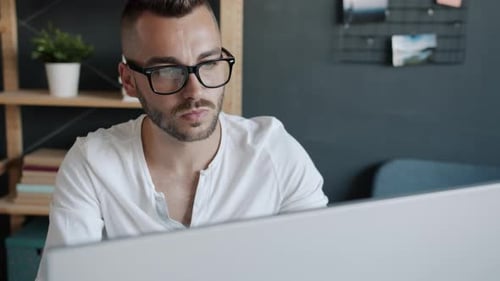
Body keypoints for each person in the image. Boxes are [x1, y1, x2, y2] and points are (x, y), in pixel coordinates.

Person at [36, 0, 328, 279]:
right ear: (128, 80)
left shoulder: (276, 153)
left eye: (209, 63)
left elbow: (322, 267)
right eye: (167, 71)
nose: (195, 91)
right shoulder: (91, 165)